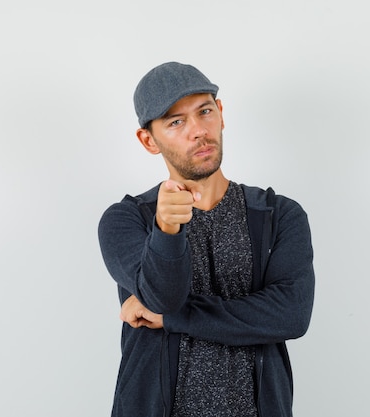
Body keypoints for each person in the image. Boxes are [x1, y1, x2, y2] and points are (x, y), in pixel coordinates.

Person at [97, 61, 315, 417]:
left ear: (222, 114)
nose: (198, 130)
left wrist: (173, 319)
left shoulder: (279, 214)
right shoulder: (127, 220)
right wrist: (167, 229)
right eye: (176, 121)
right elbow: (163, 296)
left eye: (205, 111)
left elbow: (291, 316)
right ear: (148, 139)